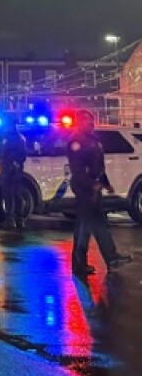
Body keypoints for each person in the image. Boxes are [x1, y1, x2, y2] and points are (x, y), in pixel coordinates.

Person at [67, 110, 132, 276]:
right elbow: (77, 170)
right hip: (84, 190)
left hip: (94, 189)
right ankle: (81, 263)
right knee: (85, 227)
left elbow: (98, 166)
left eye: (92, 121)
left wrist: (105, 183)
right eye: (87, 121)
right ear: (79, 123)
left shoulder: (93, 140)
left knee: (98, 224)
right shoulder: (76, 141)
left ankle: (111, 258)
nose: (91, 124)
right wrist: (91, 184)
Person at [0, 116, 28, 229]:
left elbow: (2, 153)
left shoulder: (7, 137)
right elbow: (23, 155)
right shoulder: (20, 137)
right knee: (17, 194)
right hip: (17, 170)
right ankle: (19, 220)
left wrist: (5, 163)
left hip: (8, 169)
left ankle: (10, 220)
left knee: (8, 194)